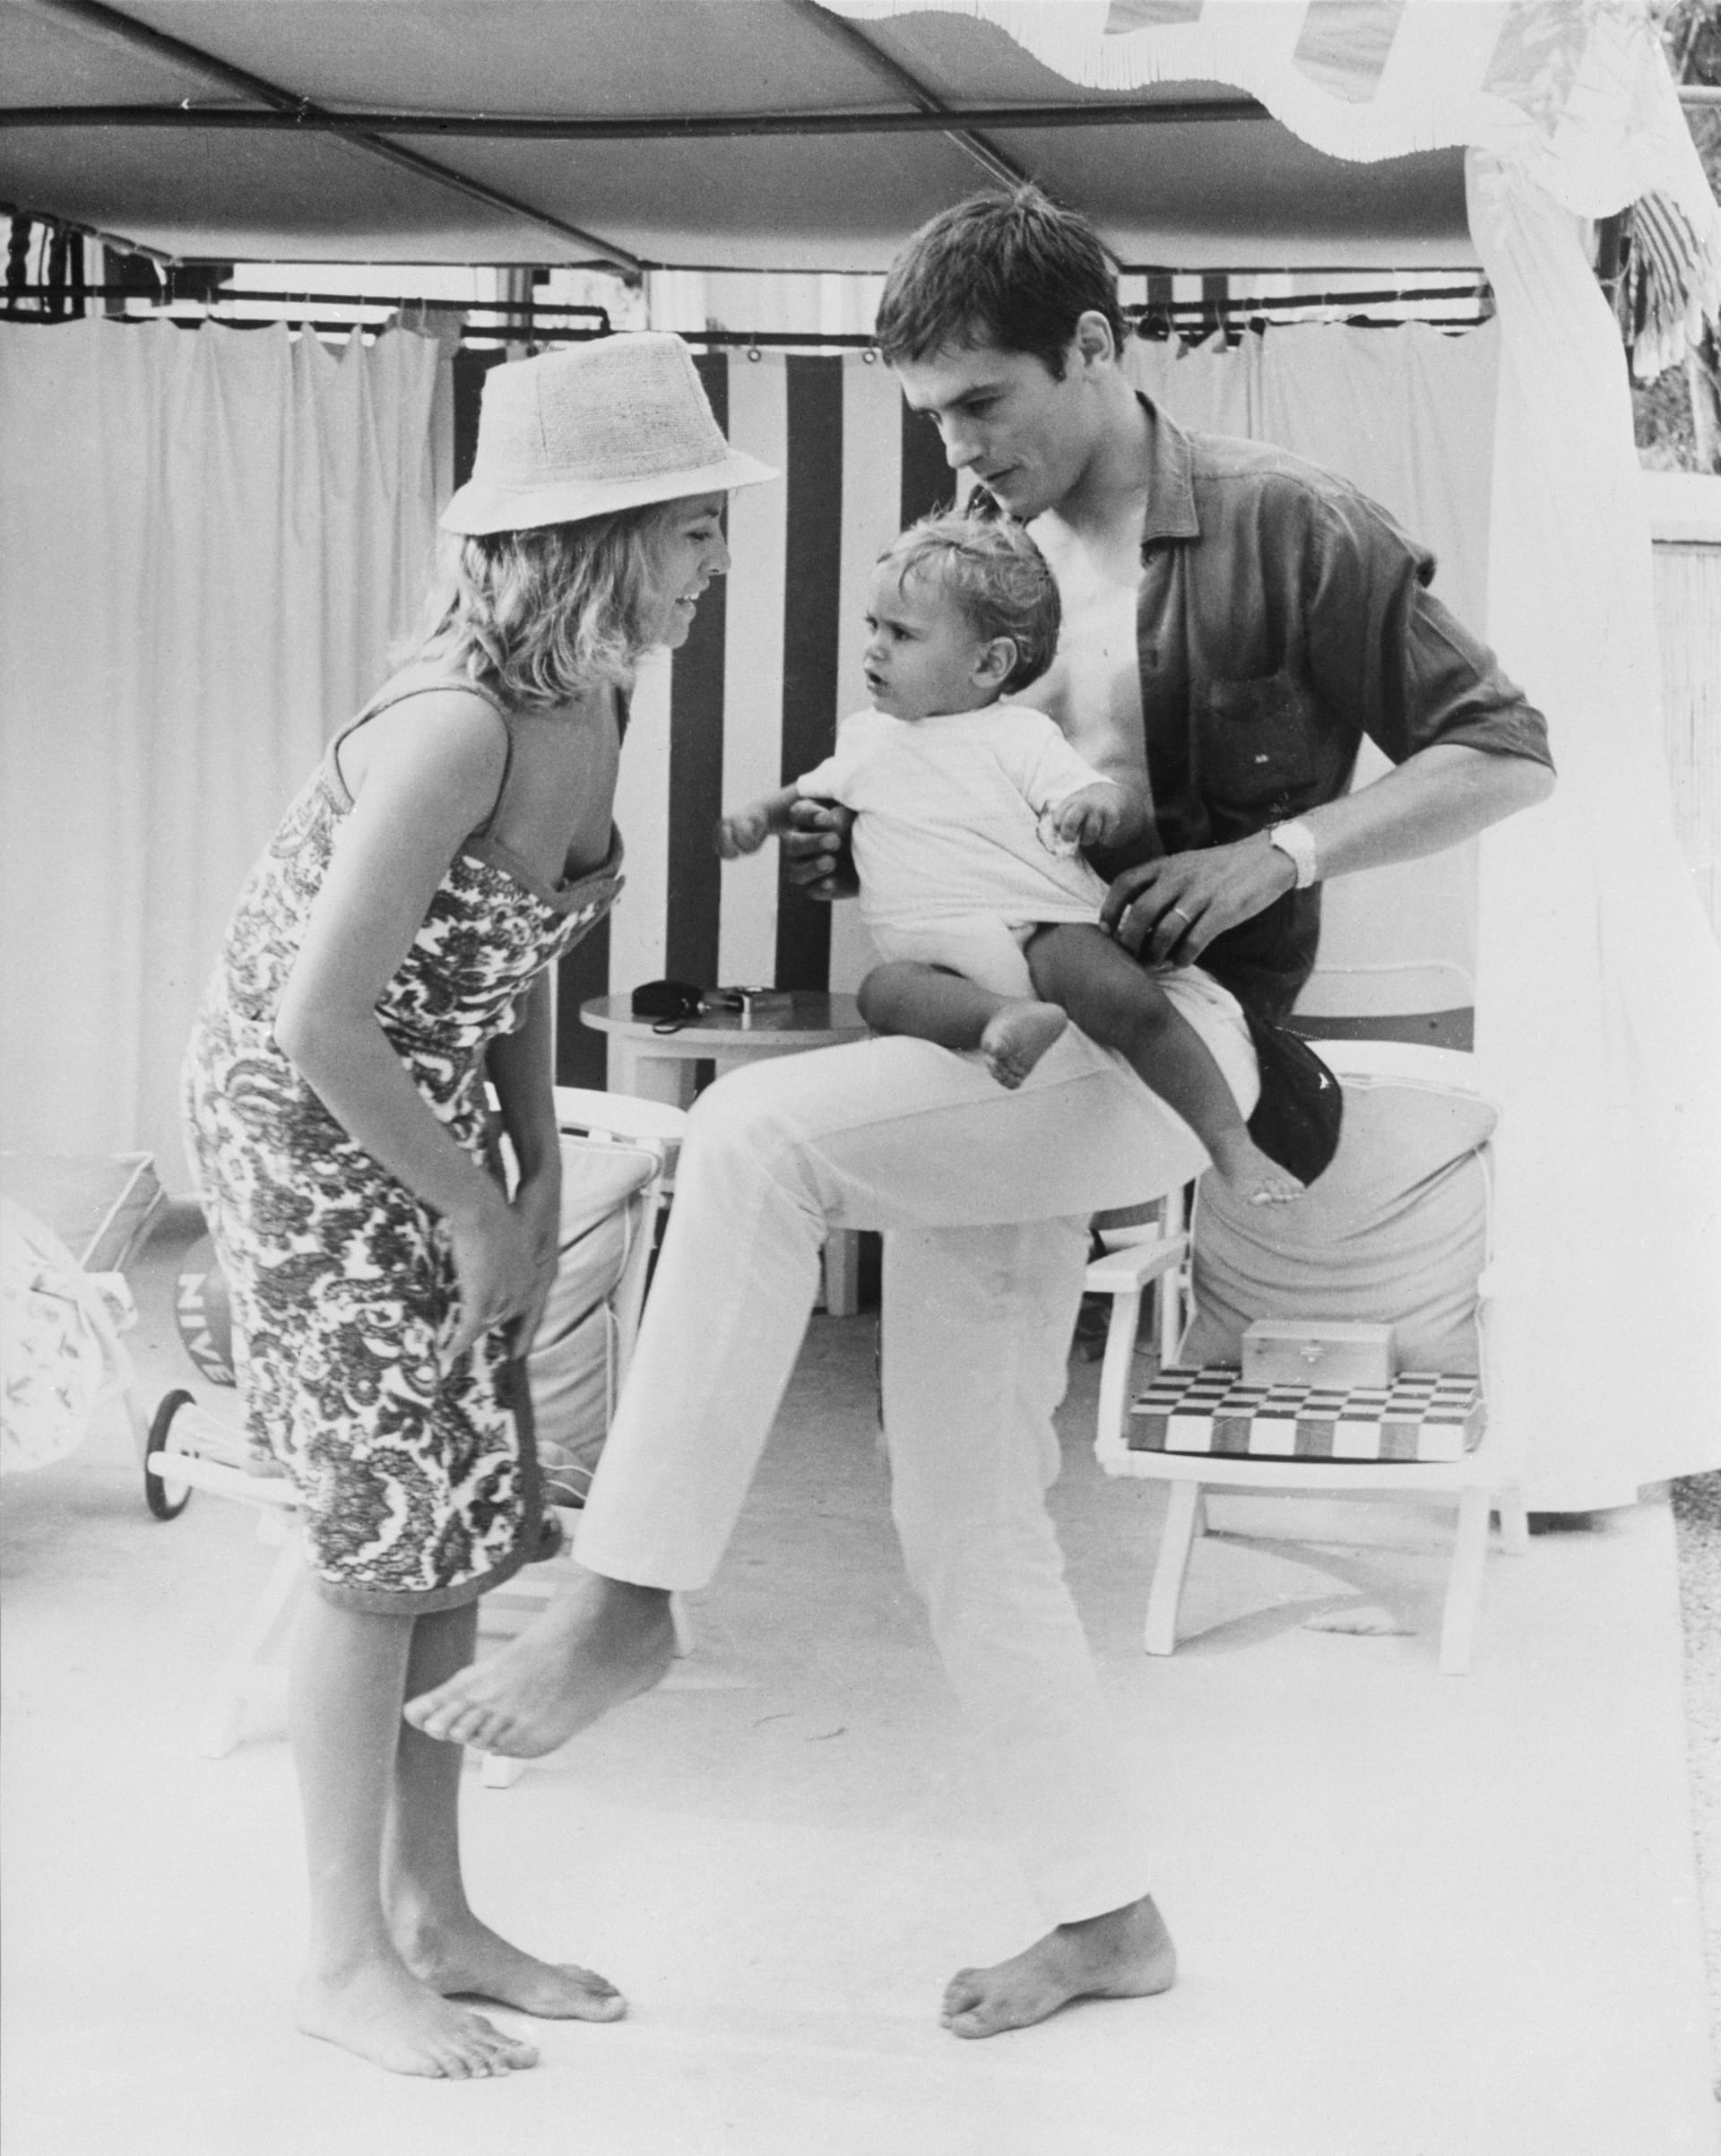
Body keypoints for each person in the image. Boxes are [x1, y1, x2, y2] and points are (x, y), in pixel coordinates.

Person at [404, 190, 1556, 2040]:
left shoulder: (1294, 528)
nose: (963, 448)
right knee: (966, 1509)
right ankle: (1107, 1915)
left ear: (1100, 346)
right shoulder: (977, 562)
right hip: (997, 1053)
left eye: (989, 402)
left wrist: (1288, 841)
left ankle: (628, 1587)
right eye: (935, 413)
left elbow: (1506, 747)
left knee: (757, 1141)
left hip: (1176, 1034)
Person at [182, 333, 773, 2079]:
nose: (713, 562)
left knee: (465, 1508)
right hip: (309, 1125)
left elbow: (507, 955)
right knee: (383, 1539)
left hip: (421, 1105)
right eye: (689, 532)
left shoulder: (594, 697)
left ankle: (435, 1909)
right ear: (596, 537)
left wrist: (532, 1163)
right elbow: (313, 1017)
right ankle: (341, 1949)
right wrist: (465, 1206)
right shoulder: (448, 724)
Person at [718, 512, 1298, 1203]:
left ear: (988, 663)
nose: (873, 651)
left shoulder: (1016, 734)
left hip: (1033, 925)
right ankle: (999, 1017)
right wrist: (763, 817)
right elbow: (809, 789)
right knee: (883, 992)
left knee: (1122, 997)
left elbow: (1092, 790)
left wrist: (1097, 808)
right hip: (934, 950)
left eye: (901, 634)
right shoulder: (867, 738)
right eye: (872, 627)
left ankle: (1231, 1143)